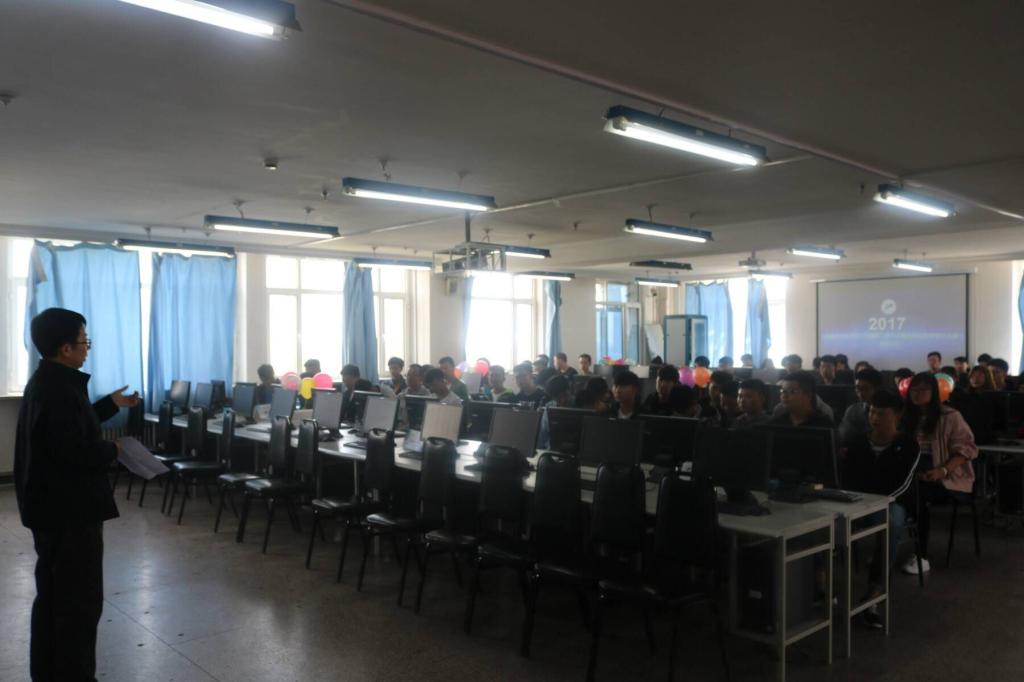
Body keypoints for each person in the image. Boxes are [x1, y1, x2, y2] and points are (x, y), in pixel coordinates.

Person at [15, 308, 141, 681]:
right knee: (78, 604)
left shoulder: (49, 382)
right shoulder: (59, 390)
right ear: (66, 348)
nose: (88, 348)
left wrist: (110, 404)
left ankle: (49, 673)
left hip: (49, 508)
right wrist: (112, 450)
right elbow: (75, 451)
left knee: (53, 598)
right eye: (84, 341)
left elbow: (72, 426)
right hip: (70, 511)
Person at [842, 390, 919, 626]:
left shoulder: (908, 445)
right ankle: (822, 586)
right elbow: (846, 478)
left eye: (882, 414)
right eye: (872, 412)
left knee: (891, 523)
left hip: (892, 503)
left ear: (897, 415)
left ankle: (874, 593)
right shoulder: (858, 442)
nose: (875, 418)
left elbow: (904, 484)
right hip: (856, 502)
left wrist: (878, 502)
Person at [901, 372, 979, 575]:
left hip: (949, 477)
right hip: (914, 474)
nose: (917, 394)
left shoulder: (950, 416)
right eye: (914, 390)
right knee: (895, 489)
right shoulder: (906, 417)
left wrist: (943, 470)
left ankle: (921, 556)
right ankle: (888, 547)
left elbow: (968, 449)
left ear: (934, 392)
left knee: (918, 494)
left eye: (923, 390)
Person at [770, 371, 834, 427]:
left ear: (808, 395)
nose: (784, 396)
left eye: (792, 391)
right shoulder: (777, 422)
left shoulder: (824, 425)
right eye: (783, 391)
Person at [839, 368, 883, 446]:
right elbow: (844, 437)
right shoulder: (853, 411)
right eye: (858, 388)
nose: (860, 393)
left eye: (865, 389)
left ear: (877, 389)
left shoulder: (888, 412)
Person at [538, 375, 573, 449]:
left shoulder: (579, 405)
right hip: (551, 450)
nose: (562, 401)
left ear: (569, 390)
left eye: (564, 396)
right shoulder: (549, 407)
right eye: (558, 398)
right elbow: (543, 435)